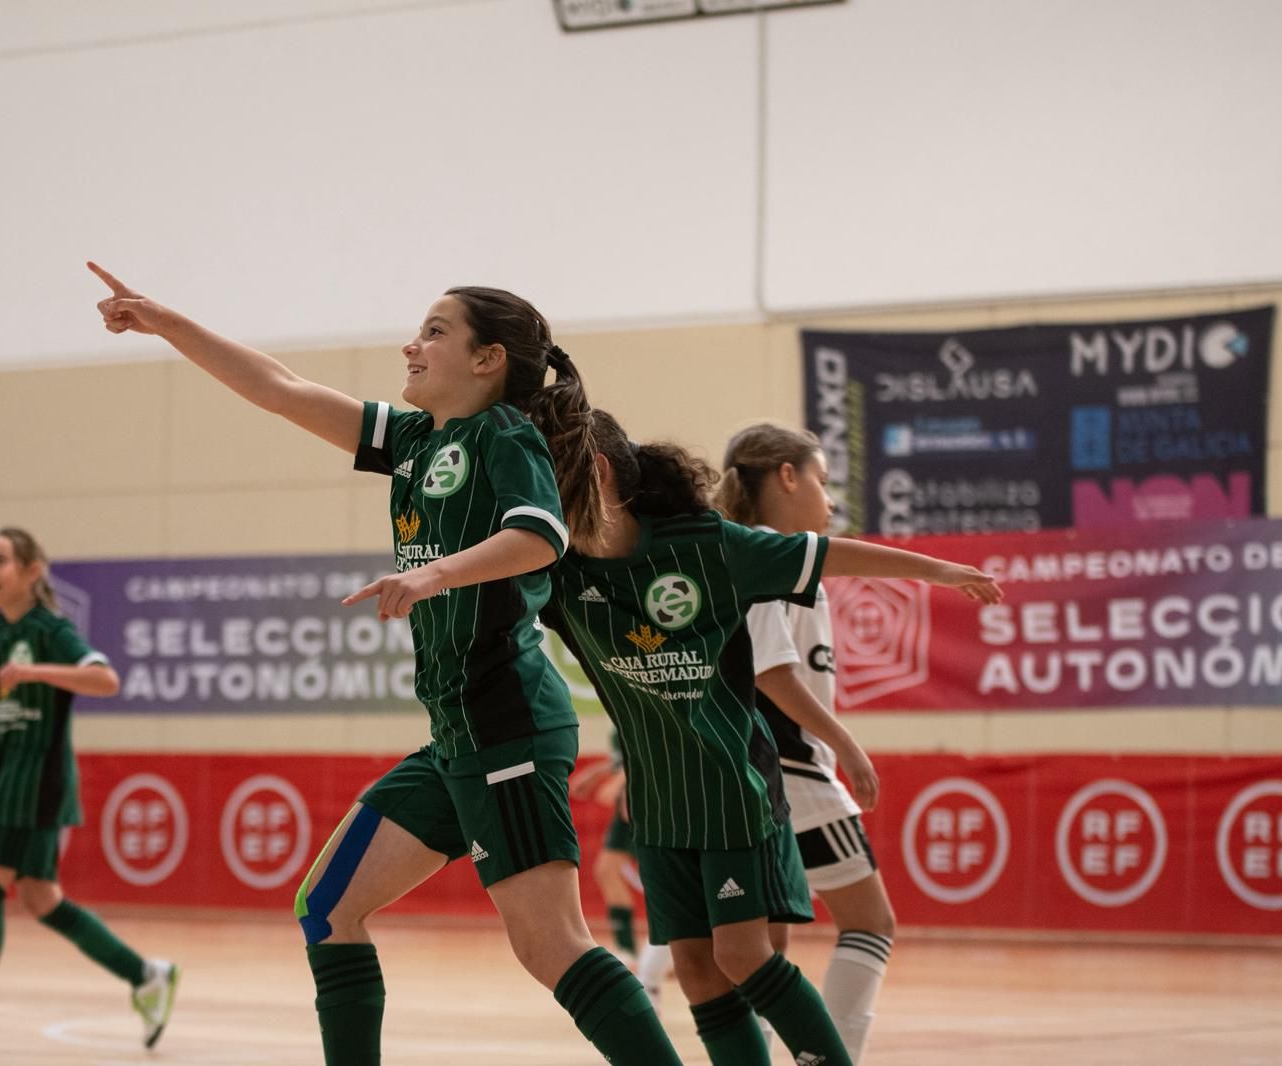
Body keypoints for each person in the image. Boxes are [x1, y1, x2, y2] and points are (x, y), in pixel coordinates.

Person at [89, 265, 683, 1065]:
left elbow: (539, 535)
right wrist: (167, 322)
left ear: (488, 360)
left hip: (506, 723)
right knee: (328, 906)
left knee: (551, 946)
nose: (412, 342)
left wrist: (432, 573)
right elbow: (278, 386)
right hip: (454, 733)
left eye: (435, 330)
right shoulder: (412, 440)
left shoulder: (504, 436)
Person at [536, 409, 1001, 1066]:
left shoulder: (710, 546)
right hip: (663, 800)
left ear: (599, 475)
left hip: (736, 786)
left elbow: (829, 557)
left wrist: (941, 571)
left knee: (748, 954)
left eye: (542, 480)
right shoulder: (558, 574)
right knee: (699, 969)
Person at [0, 527, 178, 1053]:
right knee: (39, 897)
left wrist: (34, 672)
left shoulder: (50, 630)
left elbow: (106, 680)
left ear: (33, 572)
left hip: (38, 781)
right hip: (14, 779)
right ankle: (146, 975)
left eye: (0, 560)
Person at [719, 424, 900, 1061]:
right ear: (787, 478)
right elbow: (771, 670)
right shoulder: (769, 553)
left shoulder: (741, 550)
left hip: (750, 774)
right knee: (870, 922)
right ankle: (832, 1056)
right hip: (794, 773)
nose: (829, 500)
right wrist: (846, 745)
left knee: (763, 951)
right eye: (822, 481)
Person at [568, 734, 642, 964]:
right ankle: (627, 948)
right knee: (607, 870)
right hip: (627, 800)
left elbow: (646, 751)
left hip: (647, 797)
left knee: (664, 876)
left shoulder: (638, 703)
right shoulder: (616, 719)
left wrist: (619, 783)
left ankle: (670, 948)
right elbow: (624, 759)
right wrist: (598, 773)